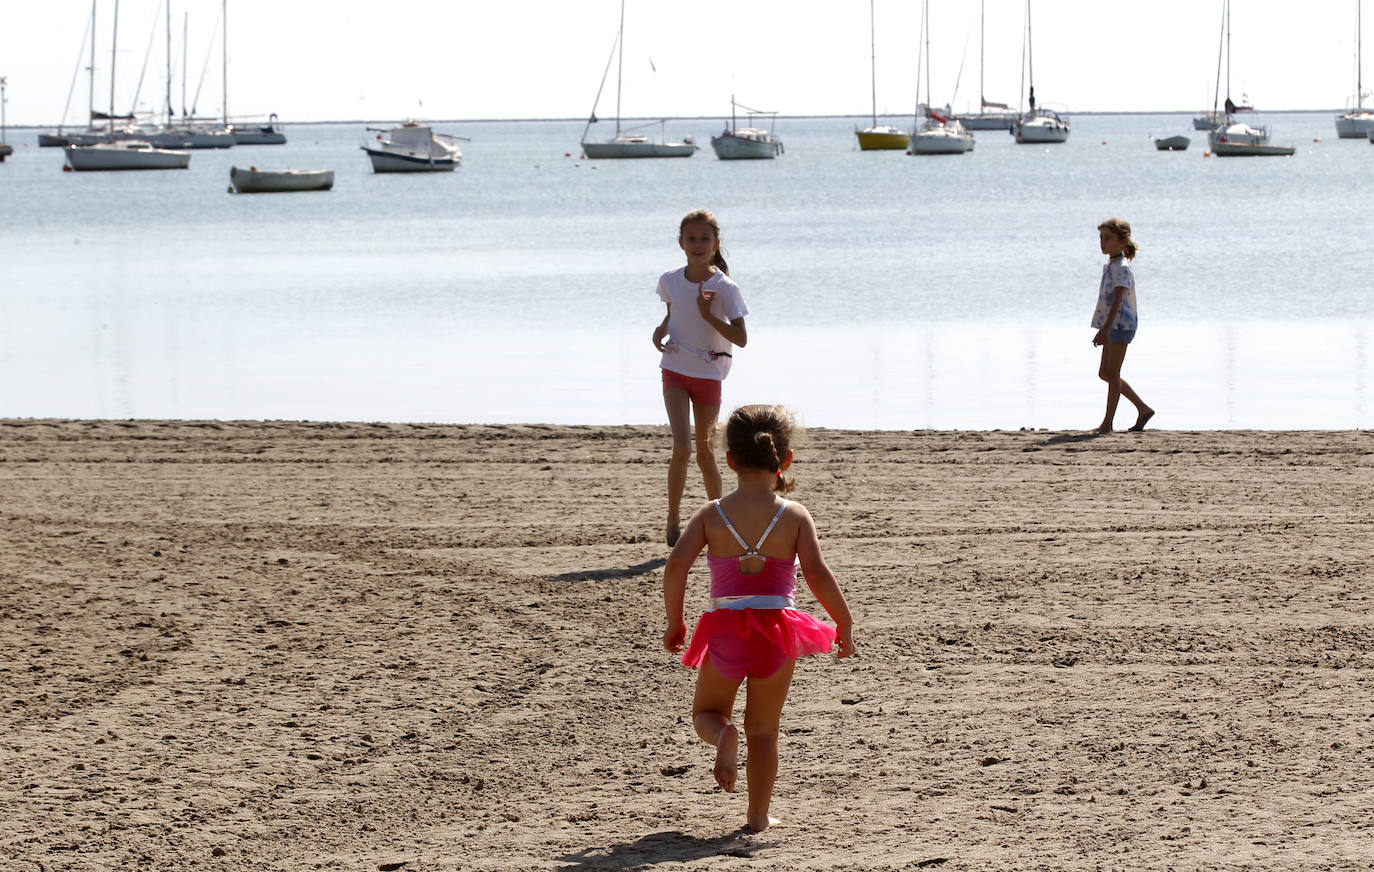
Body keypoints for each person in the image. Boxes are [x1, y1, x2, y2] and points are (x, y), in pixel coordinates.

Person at [661, 405, 856, 833]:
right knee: (765, 730)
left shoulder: (711, 514)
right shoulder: (795, 515)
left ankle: (723, 736)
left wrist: (674, 621)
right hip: (776, 633)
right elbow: (818, 574)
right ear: (784, 460)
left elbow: (676, 566)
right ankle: (757, 815)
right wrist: (842, 622)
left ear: (729, 460)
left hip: (725, 629)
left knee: (707, 714)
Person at [652, 210, 749, 546]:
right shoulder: (669, 279)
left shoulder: (725, 287)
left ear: (716, 244)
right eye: (691, 238)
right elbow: (672, 312)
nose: (697, 244)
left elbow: (741, 338)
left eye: (704, 238)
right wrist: (661, 330)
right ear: (681, 243)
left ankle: (717, 520)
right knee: (681, 447)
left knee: (705, 451)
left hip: (709, 373)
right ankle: (673, 519)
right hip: (675, 368)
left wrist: (709, 314)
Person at [1091, 218, 1155, 433]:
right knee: (1106, 373)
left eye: (1108, 238)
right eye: (1101, 238)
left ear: (1122, 240)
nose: (1103, 242)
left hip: (1120, 325)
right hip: (1111, 324)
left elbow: (1118, 300)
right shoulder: (1109, 265)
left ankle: (1107, 423)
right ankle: (1143, 408)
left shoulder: (1122, 268)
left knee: (1113, 373)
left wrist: (1106, 329)